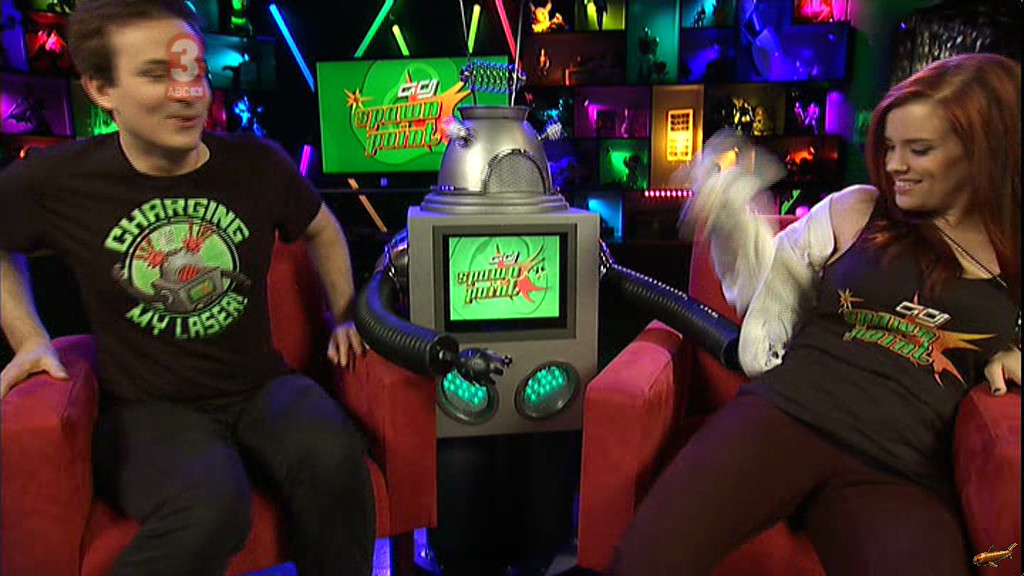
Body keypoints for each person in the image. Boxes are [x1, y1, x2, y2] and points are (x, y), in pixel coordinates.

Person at [0, 1, 375, 575]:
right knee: (211, 507)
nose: (187, 93)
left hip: (262, 386)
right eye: (157, 74)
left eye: (195, 71)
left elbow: (322, 228)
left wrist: (345, 312)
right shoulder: (60, 180)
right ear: (101, 88)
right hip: (145, 409)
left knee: (337, 460)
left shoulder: (257, 164)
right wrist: (28, 337)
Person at [610, 52, 1020, 576]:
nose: (895, 165)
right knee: (647, 562)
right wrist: (734, 217)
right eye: (889, 146)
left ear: (983, 150)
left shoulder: (1012, 257)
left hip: (900, 466)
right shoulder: (858, 209)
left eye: (919, 150)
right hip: (786, 414)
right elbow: (768, 290)